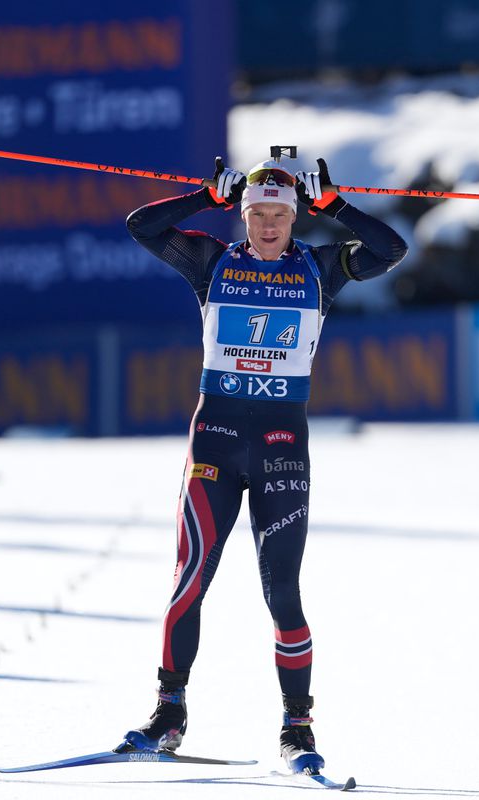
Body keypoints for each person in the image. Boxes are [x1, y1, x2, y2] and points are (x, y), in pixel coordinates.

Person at [120, 154, 408, 773]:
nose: (269, 224)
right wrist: (203, 196)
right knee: (188, 580)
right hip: (216, 442)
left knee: (283, 594)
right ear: (245, 215)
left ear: (294, 215)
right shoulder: (212, 260)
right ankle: (168, 713)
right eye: (258, 214)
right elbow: (141, 226)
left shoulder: (321, 267)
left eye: (280, 213)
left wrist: (337, 207)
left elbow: (390, 250)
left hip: (282, 447)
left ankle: (297, 728)